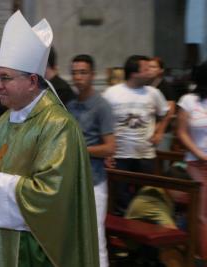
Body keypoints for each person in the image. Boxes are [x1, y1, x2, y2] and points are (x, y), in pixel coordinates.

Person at [0, 11, 99, 267]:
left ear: (32, 81)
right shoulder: (3, 123)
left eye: (5, 78)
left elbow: (53, 196)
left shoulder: (59, 125)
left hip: (35, 249)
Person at [103, 55, 170, 212]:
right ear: (134, 73)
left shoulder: (153, 93)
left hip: (145, 154)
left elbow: (165, 113)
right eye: (146, 69)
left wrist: (159, 131)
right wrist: (107, 152)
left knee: (146, 198)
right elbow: (103, 123)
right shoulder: (112, 93)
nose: (150, 72)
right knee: (119, 198)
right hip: (120, 155)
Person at [67, 54, 115, 267]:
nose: (78, 77)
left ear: (93, 75)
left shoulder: (101, 105)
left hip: (94, 180)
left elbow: (110, 147)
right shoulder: (70, 105)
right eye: (75, 73)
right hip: (71, 178)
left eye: (83, 72)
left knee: (94, 235)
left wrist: (80, 149)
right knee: (72, 235)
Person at [177, 61, 207, 262]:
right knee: (202, 215)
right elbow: (181, 133)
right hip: (197, 162)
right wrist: (200, 154)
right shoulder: (189, 100)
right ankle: (202, 257)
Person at [148, 57, 176, 151]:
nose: (150, 69)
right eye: (148, 66)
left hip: (162, 131)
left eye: (153, 67)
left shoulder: (165, 86)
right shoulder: (146, 85)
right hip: (148, 129)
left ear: (161, 70)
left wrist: (158, 131)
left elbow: (169, 112)